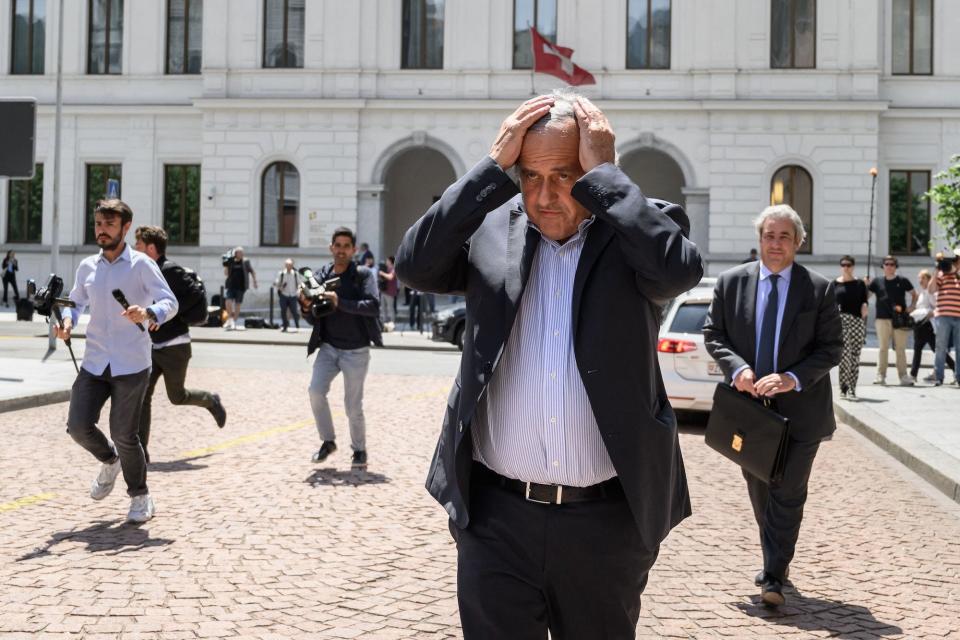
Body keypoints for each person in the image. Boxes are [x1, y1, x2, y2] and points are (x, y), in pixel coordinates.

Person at [396, 90, 702, 638]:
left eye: (563, 175)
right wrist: (491, 168)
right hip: (495, 518)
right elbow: (415, 266)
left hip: (606, 522)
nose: (544, 196)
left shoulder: (636, 229)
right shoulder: (491, 227)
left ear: (590, 170)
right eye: (530, 176)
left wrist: (607, 175)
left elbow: (678, 271)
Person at [703, 204, 842, 607]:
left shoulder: (818, 289)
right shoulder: (730, 283)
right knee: (761, 489)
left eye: (784, 236)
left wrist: (791, 377)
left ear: (799, 242)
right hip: (752, 415)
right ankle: (775, 561)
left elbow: (831, 348)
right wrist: (738, 369)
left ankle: (774, 577)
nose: (776, 243)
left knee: (788, 491)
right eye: (769, 235)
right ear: (759, 239)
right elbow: (714, 334)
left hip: (802, 413)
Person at [57, 200, 179, 523]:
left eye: (109, 225)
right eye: (98, 224)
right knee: (78, 426)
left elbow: (171, 301)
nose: (101, 230)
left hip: (132, 363)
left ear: (125, 228)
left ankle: (140, 495)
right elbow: (75, 302)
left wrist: (149, 312)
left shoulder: (141, 265)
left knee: (125, 434)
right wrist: (67, 322)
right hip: (95, 361)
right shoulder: (87, 267)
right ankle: (110, 461)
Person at [133, 226, 227, 464]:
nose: (135, 249)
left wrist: (163, 315)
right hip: (151, 347)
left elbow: (193, 297)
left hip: (175, 346)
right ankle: (141, 451)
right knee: (143, 396)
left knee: (177, 396)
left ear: (151, 248)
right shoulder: (144, 272)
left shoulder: (170, 270)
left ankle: (210, 400)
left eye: (139, 246)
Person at [302, 227, 382, 470]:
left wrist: (340, 302)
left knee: (352, 405)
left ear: (354, 250)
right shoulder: (320, 275)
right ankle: (328, 441)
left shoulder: (363, 275)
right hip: (328, 347)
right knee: (315, 392)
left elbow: (373, 306)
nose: (342, 250)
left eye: (347, 246)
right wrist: (305, 306)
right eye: (338, 245)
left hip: (356, 350)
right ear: (331, 248)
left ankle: (359, 450)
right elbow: (312, 317)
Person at [867, 255, 918, 386]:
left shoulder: (903, 280)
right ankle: (880, 376)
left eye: (892, 264)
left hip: (900, 319)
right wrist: (865, 285)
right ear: (883, 266)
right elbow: (866, 296)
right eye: (887, 264)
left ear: (896, 266)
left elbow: (914, 294)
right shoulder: (877, 281)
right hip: (882, 319)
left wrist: (912, 307)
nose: (889, 266)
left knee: (900, 349)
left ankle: (903, 376)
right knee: (883, 348)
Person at [834, 255, 869, 399]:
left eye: (848, 265)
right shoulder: (834, 284)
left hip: (856, 321)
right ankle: (843, 387)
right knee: (845, 355)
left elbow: (864, 302)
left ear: (853, 266)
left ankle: (852, 388)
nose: (846, 268)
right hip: (841, 321)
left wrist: (865, 307)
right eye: (843, 265)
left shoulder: (860, 284)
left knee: (855, 356)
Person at [911, 269, 955, 382]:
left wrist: (930, 313)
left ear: (929, 279)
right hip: (919, 325)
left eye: (923, 278)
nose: (920, 280)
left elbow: (938, 306)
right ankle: (913, 375)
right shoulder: (921, 293)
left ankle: (955, 369)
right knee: (917, 350)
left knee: (938, 351)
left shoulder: (931, 293)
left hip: (928, 325)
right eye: (919, 278)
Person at [928, 249, 960, 386]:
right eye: (954, 259)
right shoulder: (942, 273)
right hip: (943, 315)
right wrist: (936, 271)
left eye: (956, 259)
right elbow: (931, 290)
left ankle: (959, 377)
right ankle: (939, 377)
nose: (954, 262)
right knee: (940, 347)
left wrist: (956, 273)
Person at [222, 246, 257, 331]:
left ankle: (234, 321)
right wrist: (226, 264)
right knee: (228, 301)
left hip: (241, 286)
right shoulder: (231, 261)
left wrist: (254, 281)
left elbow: (252, 271)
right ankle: (230, 318)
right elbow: (226, 273)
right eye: (240, 253)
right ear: (236, 253)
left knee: (238, 304)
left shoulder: (246, 261)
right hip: (231, 285)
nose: (241, 254)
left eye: (242, 253)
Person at [274, 259, 301, 332]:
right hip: (284, 295)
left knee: (294, 311)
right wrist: (280, 286)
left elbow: (299, 284)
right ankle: (285, 326)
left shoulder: (295, 274)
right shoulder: (281, 274)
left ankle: (297, 323)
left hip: (293, 295)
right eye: (287, 265)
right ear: (285, 265)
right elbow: (277, 283)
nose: (289, 266)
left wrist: (298, 291)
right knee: (283, 311)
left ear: (292, 266)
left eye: (290, 265)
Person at [378, 256, 399, 331]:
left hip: (390, 292)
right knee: (383, 309)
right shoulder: (386, 268)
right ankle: (384, 324)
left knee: (390, 309)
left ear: (390, 261)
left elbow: (390, 277)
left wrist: (382, 273)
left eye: (387, 260)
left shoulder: (394, 269)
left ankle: (392, 324)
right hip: (384, 291)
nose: (386, 262)